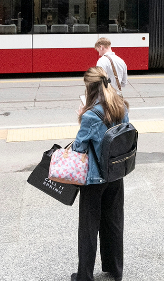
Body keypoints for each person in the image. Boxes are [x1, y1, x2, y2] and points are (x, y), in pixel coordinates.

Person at [71, 67, 130, 281]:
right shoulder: (120, 106)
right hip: (116, 173)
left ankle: (84, 276)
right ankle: (114, 269)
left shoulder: (89, 115)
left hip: (94, 179)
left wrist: (80, 117)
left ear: (89, 87)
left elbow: (78, 149)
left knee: (88, 227)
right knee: (114, 222)